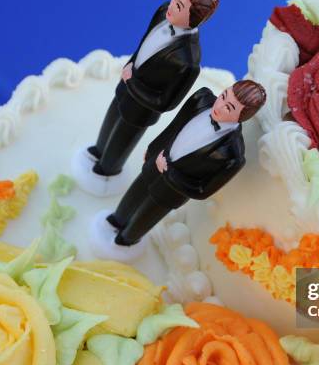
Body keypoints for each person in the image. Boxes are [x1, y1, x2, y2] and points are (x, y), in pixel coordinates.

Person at [90, 80, 266, 258]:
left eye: (228, 108)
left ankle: (124, 242)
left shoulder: (232, 155)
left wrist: (169, 173)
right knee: (134, 195)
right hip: (155, 163)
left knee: (145, 218)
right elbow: (173, 127)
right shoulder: (201, 98)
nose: (219, 106)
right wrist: (153, 149)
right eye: (223, 96)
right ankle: (116, 220)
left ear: (242, 117)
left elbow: (202, 191)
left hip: (171, 191)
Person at [77, 0, 219, 195]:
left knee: (119, 143)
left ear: (194, 19)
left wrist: (133, 83)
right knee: (109, 124)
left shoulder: (187, 61)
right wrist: (131, 65)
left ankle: (106, 173)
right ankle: (98, 151)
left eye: (179, 6)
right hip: (124, 88)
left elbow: (167, 103)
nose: (171, 5)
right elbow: (144, 43)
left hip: (140, 112)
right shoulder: (163, 12)